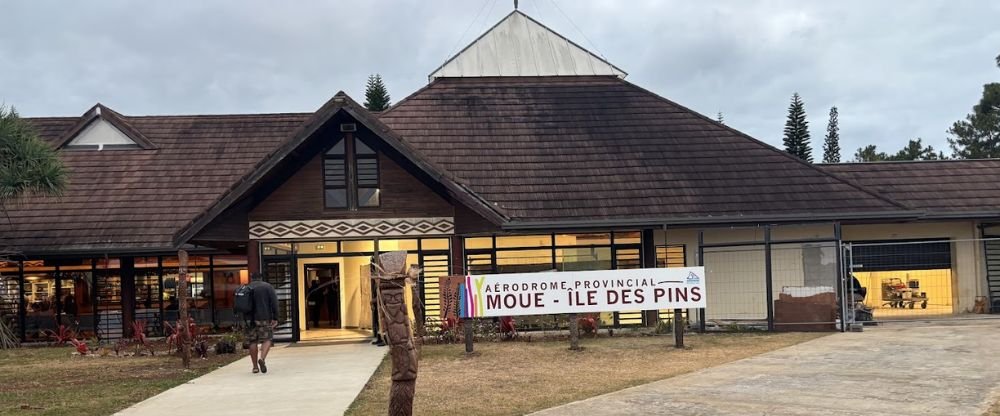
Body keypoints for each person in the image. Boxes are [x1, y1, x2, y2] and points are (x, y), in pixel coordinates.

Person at [245, 272, 279, 374]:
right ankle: (262, 359)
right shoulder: (267, 287)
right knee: (267, 339)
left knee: (252, 341)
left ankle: (255, 367)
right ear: (261, 278)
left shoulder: (247, 287)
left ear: (251, 278)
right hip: (264, 317)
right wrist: (275, 317)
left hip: (249, 319)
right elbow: (274, 302)